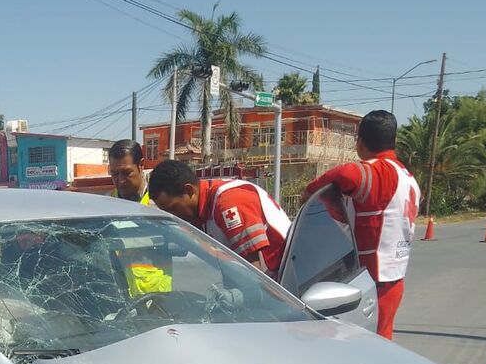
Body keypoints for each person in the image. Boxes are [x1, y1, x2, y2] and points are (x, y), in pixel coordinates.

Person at [299, 109, 420, 340]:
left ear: (360, 142)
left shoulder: (379, 172)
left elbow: (346, 174)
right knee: (381, 343)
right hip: (393, 278)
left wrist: (309, 191)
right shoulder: (407, 176)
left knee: (362, 351)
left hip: (371, 281)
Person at [147, 159, 290, 274]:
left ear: (189, 190)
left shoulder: (228, 202)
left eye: (174, 208)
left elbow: (252, 270)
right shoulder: (202, 212)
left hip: (284, 285)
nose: (174, 216)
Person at [108, 139, 150, 204]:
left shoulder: (159, 204)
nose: (121, 181)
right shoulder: (106, 204)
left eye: (127, 173)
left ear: (141, 165)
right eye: (115, 174)